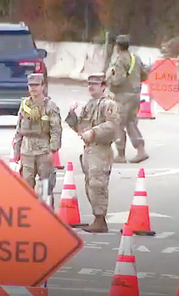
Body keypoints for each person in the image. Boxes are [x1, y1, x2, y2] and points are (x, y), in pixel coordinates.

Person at [65, 73, 120, 233]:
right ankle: (97, 217)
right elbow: (81, 129)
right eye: (89, 84)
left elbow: (113, 126)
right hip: (89, 149)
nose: (91, 87)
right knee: (90, 185)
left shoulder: (108, 104)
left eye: (95, 84)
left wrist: (94, 132)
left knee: (98, 184)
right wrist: (72, 114)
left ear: (103, 86)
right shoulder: (89, 105)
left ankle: (100, 219)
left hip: (101, 149)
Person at [13, 73, 62, 195]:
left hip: (43, 150)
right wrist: (16, 151)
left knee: (46, 185)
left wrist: (53, 150)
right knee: (26, 184)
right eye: (30, 85)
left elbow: (56, 130)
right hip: (27, 149)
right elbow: (19, 130)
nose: (33, 88)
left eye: (36, 85)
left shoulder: (50, 106)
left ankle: (46, 210)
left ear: (43, 86)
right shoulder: (24, 105)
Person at [106, 34, 149, 163]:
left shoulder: (118, 61)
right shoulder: (135, 58)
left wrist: (108, 80)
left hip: (122, 96)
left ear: (117, 46)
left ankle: (120, 154)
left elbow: (118, 79)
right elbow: (144, 75)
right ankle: (141, 150)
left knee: (118, 124)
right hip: (135, 94)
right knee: (131, 123)